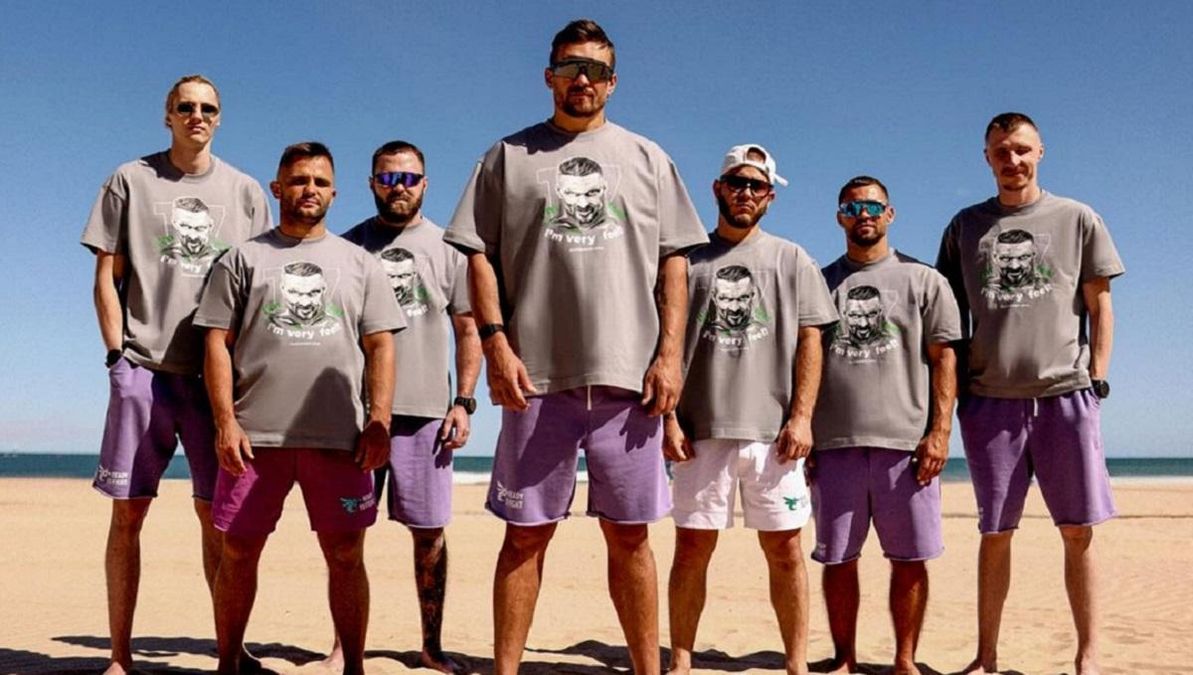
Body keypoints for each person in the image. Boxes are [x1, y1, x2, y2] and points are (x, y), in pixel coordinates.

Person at [444, 19, 708, 674]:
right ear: (549, 76)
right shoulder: (507, 157)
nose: (582, 79)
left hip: (629, 380)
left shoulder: (648, 158)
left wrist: (669, 356)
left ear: (613, 83)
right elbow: (478, 256)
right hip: (535, 378)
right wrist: (496, 344)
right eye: (569, 67)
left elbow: (675, 263)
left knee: (631, 537)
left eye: (595, 70)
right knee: (524, 536)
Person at [79, 74, 271, 675]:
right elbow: (106, 276)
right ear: (167, 115)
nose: (197, 116)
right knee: (128, 513)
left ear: (220, 118)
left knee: (219, 519)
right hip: (143, 369)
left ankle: (230, 652)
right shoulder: (130, 180)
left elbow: (259, 291)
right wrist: (117, 357)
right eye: (185, 107)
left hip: (216, 382)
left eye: (208, 108)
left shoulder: (245, 192)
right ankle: (119, 657)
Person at [195, 142, 405, 675]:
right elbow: (216, 342)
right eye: (298, 180)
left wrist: (379, 420)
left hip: (339, 439)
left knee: (346, 554)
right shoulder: (242, 259)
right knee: (239, 552)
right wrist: (225, 422)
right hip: (255, 439)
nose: (309, 190)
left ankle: (354, 667)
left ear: (335, 193)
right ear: (277, 188)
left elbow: (380, 344)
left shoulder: (360, 264)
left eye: (319, 182)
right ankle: (228, 665)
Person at [936, 112, 1124, 675]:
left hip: (1065, 394)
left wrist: (1097, 377)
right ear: (987, 158)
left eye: (1021, 149)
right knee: (995, 531)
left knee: (1077, 530)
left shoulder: (1077, 218)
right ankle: (986, 656)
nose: (1012, 160)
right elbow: (950, 320)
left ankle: (1087, 656)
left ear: (1040, 151)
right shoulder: (966, 226)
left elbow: (1100, 305)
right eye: (1000, 151)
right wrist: (955, 395)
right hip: (990, 400)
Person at [665, 145, 835, 675]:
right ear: (717, 188)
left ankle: (796, 663)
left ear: (770, 197)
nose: (745, 193)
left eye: (757, 186)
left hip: (773, 432)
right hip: (699, 429)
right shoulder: (686, 260)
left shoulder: (792, 259)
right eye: (736, 183)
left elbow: (811, 340)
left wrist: (802, 417)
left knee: (785, 550)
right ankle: (682, 659)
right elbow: (662, 343)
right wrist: (667, 418)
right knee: (692, 549)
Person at [332, 140, 481, 674]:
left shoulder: (449, 248)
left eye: (409, 178)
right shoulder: (346, 248)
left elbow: (468, 329)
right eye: (389, 178)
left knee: (430, 535)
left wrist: (463, 402)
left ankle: (431, 647)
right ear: (372, 183)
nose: (400, 188)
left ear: (425, 183)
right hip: (359, 417)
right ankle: (342, 648)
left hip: (427, 415)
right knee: (345, 537)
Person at [812, 176, 961, 675]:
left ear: (890, 214)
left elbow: (944, 359)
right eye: (853, 207)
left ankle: (904, 659)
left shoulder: (925, 280)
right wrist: (803, 429)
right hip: (835, 444)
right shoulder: (820, 283)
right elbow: (802, 362)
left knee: (910, 557)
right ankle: (845, 659)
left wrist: (939, 432)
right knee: (838, 558)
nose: (864, 214)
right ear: (840, 216)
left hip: (906, 445)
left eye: (874, 206)